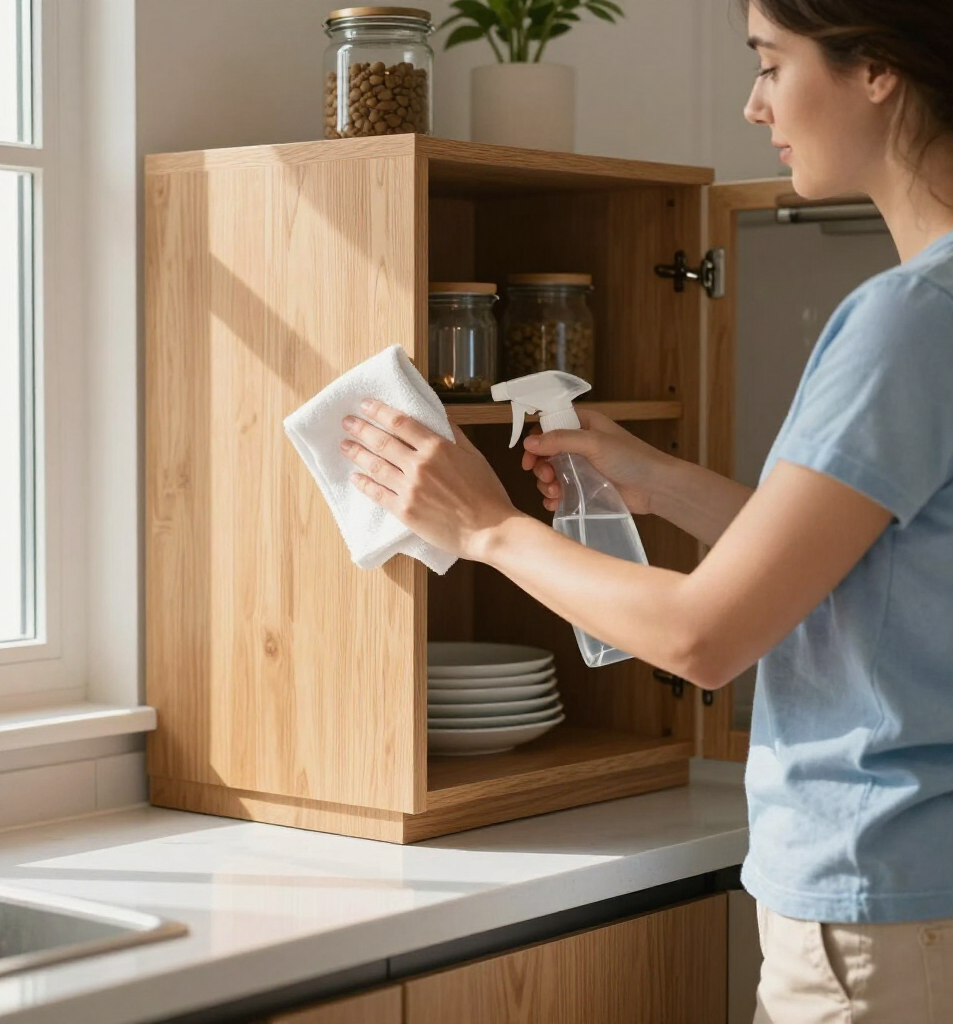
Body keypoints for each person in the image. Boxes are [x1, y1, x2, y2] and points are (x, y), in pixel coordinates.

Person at [339, 1, 953, 1019]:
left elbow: (704, 635)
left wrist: (488, 528)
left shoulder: (903, 317)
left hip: (877, 909)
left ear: (877, 70)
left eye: (770, 64)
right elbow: (874, 555)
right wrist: (658, 480)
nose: (755, 106)